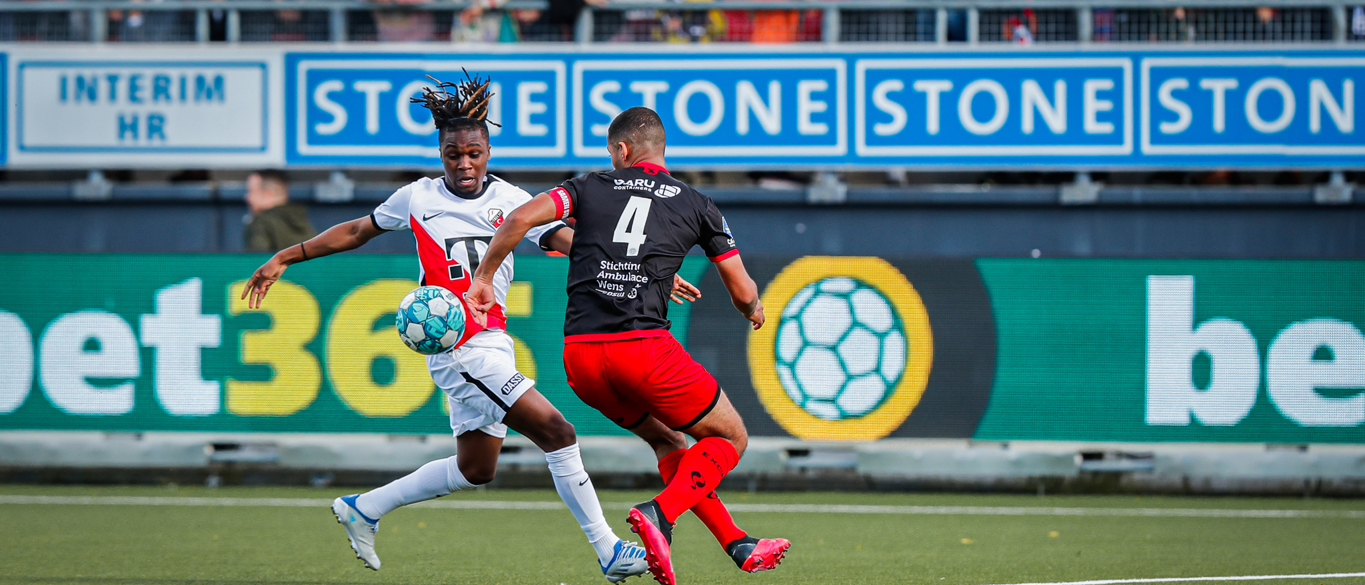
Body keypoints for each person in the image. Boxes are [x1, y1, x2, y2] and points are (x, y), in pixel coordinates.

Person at [240, 75, 702, 583]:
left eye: (473, 153)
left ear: (488, 152)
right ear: (440, 154)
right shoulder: (417, 197)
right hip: (459, 346)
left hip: (494, 341)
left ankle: (363, 508)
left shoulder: (510, 198)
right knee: (558, 432)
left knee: (476, 468)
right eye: (452, 154)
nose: (463, 164)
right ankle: (609, 550)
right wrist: (285, 257)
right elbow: (356, 230)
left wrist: (651, 272)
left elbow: (573, 242)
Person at [466, 106, 789, 585]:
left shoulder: (588, 186)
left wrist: (484, 277)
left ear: (621, 150)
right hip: (643, 350)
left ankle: (737, 542)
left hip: (581, 360)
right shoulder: (698, 204)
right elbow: (742, 291)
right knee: (729, 437)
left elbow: (519, 218)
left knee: (668, 439)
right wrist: (753, 310)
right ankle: (660, 514)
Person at [243, 169, 316, 253]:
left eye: (250, 191)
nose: (247, 197)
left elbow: (256, 259)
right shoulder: (301, 220)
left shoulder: (260, 223)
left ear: (268, 194)